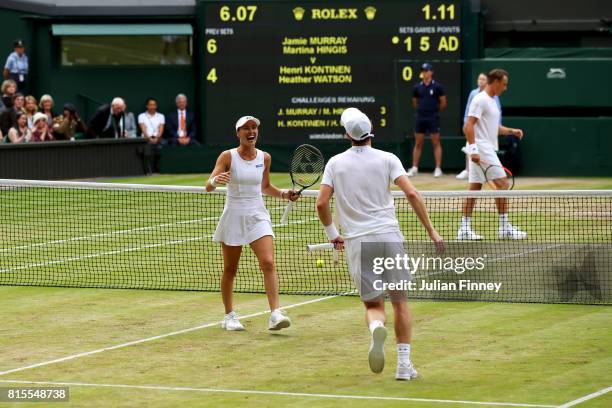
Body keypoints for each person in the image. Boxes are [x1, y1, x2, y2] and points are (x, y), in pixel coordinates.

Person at [316, 108, 444, 380]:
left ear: (347, 134)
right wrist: (432, 231)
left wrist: (332, 234)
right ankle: (403, 365)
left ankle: (376, 328)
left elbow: (321, 202)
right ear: (370, 132)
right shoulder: (389, 159)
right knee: (400, 302)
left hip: (359, 242)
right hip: (389, 237)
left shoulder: (335, 163)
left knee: (374, 307)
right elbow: (411, 193)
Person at [206, 115, 299, 331]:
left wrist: (285, 194)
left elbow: (265, 187)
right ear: (238, 133)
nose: (251, 131)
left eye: (254, 127)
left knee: (268, 262)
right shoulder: (227, 156)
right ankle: (229, 316)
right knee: (230, 269)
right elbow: (208, 186)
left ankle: (275, 313)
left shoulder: (264, 157)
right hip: (234, 215)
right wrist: (214, 181)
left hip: (258, 215)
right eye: (246, 128)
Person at [458, 69, 527, 241]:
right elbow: (468, 126)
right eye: (504, 84)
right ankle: (504, 228)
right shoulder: (480, 99)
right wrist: (473, 150)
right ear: (495, 81)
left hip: (485, 147)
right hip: (481, 148)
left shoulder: (492, 101)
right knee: (503, 184)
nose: (505, 88)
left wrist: (511, 131)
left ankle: (464, 229)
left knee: (474, 188)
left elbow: (493, 127)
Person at [456, 73, 502, 180]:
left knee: (475, 188)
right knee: (471, 147)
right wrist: (465, 123)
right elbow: (468, 110)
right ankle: (467, 170)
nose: (480, 81)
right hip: (477, 135)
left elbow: (497, 113)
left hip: (487, 135)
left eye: (483, 79)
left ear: (487, 81)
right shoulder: (474, 94)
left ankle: (470, 171)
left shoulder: (494, 98)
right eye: (479, 79)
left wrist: (504, 129)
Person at [407, 62, 446, 178]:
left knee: (436, 142)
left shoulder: (438, 87)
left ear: (431, 72)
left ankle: (438, 168)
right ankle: (414, 168)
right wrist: (421, 110)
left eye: (427, 70)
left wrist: (434, 111)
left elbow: (443, 103)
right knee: (418, 142)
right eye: (423, 71)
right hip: (420, 117)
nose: (425, 73)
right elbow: (415, 102)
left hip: (433, 117)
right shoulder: (417, 87)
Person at [138, 97, 165, 174]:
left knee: (160, 146)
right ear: (147, 106)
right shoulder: (141, 116)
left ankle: (159, 170)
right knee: (147, 148)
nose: (152, 107)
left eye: (154, 105)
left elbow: (161, 129)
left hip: (158, 139)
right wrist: (149, 138)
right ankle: (148, 171)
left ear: (156, 106)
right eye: (150, 105)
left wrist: (157, 138)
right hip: (146, 139)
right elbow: (143, 129)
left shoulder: (161, 116)